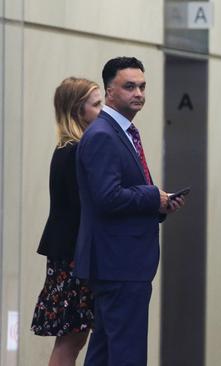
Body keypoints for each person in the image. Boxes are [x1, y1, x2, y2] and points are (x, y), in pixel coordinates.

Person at [73, 57, 184, 365]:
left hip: (121, 262)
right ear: (110, 92)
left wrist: (160, 203)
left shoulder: (121, 132)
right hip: (118, 262)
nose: (139, 93)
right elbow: (107, 197)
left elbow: (121, 193)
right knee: (127, 353)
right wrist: (152, 196)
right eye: (130, 86)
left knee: (105, 350)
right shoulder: (103, 136)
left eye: (143, 86)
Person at [31, 77, 102, 366]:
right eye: (97, 105)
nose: (104, 110)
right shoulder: (76, 151)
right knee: (71, 341)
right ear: (77, 110)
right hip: (73, 256)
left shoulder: (66, 148)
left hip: (68, 253)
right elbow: (84, 208)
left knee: (72, 339)